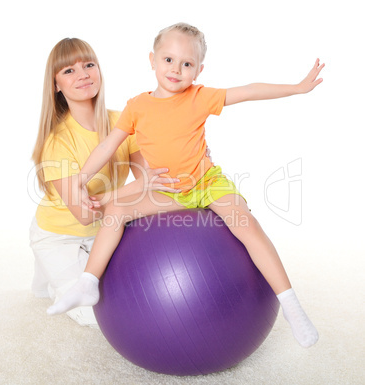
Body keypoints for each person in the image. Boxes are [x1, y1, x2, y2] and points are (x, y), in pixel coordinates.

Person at [47, 23, 323, 348]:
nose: (176, 69)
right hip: (169, 192)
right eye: (168, 60)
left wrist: (296, 88)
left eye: (186, 64)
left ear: (198, 70)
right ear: (152, 60)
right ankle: (88, 281)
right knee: (117, 211)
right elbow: (108, 146)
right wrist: (82, 177)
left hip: (207, 184)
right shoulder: (137, 106)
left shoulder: (200, 97)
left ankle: (290, 303)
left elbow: (248, 91)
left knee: (246, 225)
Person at [30, 37, 180, 326]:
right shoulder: (58, 141)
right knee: (95, 316)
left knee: (123, 296)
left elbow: (151, 178)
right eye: (69, 71)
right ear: (55, 85)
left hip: (106, 229)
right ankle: (48, 268)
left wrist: (190, 155)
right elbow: (84, 215)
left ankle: (51, 272)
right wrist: (135, 189)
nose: (83, 74)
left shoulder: (123, 122)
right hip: (60, 233)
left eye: (89, 65)